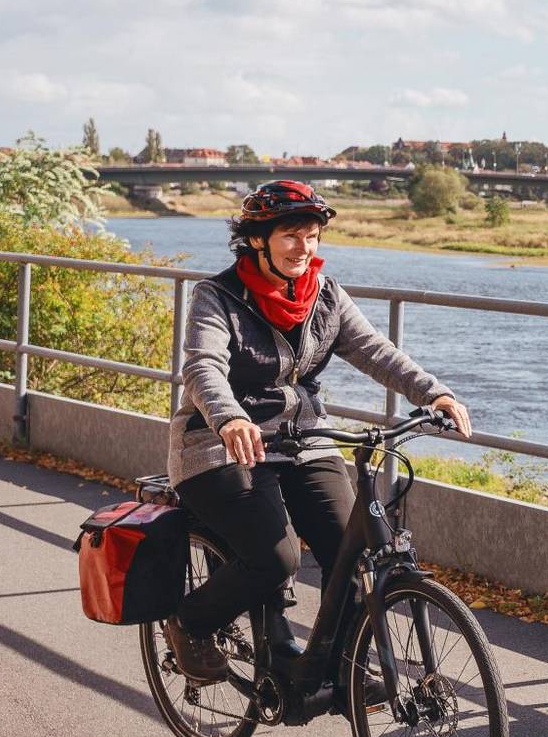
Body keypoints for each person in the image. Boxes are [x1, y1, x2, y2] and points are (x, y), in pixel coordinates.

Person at [162, 180, 474, 686]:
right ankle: (190, 623)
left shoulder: (325, 296)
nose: (303, 248)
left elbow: (374, 350)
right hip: (220, 446)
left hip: (304, 439)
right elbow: (202, 368)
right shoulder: (216, 296)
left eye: (311, 236)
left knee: (351, 549)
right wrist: (230, 417)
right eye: (290, 235)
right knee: (275, 557)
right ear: (258, 239)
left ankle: (341, 667)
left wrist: (433, 393)